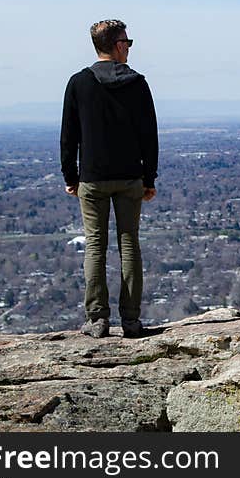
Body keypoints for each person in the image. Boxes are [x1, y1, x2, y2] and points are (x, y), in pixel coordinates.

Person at [60, 19, 158, 338]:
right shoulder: (138, 83)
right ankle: (130, 321)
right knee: (129, 243)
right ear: (117, 45)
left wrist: (70, 176)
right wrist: (149, 178)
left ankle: (97, 319)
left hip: (93, 178)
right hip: (130, 177)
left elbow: (69, 136)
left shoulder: (78, 83)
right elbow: (149, 136)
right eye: (127, 42)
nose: (129, 47)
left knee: (95, 245)